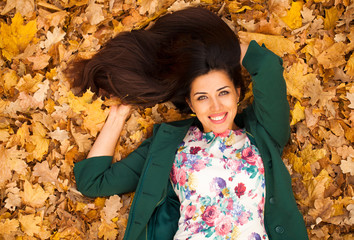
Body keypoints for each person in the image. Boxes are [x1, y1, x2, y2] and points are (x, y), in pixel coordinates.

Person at [70, 7, 308, 240]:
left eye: (223, 93)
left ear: (237, 93)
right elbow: (93, 182)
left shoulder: (265, 133)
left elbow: (266, 66)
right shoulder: (170, 146)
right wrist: (118, 116)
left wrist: (213, 49)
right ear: (191, 104)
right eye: (202, 97)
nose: (215, 106)